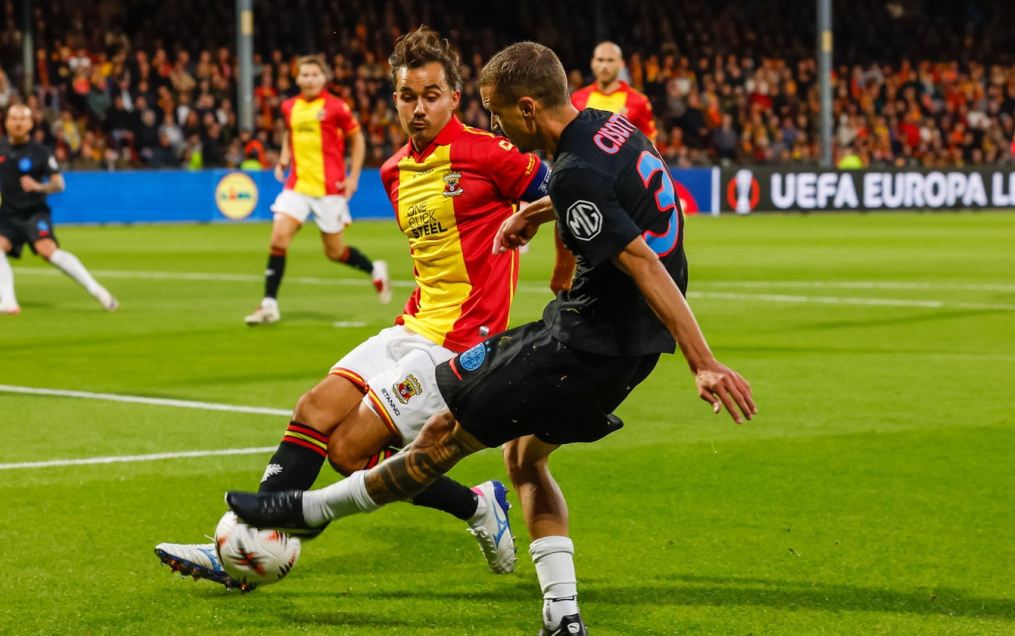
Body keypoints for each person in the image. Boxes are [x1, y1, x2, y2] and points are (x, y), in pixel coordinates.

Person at [225, 41, 756, 636]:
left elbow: (641, 261)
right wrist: (539, 212)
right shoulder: (610, 129)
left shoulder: (570, 171)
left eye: (497, 111)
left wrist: (704, 362)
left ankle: (308, 512)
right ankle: (563, 618)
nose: (494, 123)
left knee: (442, 435)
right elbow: (610, 198)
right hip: (633, 353)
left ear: (529, 108)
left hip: (579, 342)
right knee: (525, 459)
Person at [155, 27, 552, 591]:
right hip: (414, 324)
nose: (419, 108)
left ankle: (472, 507)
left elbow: (564, 188)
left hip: (460, 342)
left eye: (431, 95)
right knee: (314, 408)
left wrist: (536, 228)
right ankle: (248, 538)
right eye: (407, 96)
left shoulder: (489, 152)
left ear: (454, 98)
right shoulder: (394, 171)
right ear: (394, 98)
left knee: (347, 452)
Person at [244, 55, 390, 325]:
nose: (309, 79)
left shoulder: (337, 107)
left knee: (334, 252)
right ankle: (269, 305)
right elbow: (290, 133)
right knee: (278, 239)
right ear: (297, 78)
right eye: (305, 75)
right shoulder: (289, 106)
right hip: (297, 185)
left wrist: (353, 177)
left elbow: (357, 140)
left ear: (324, 78)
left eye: (314, 74)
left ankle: (373, 268)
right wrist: (285, 157)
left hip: (329, 190)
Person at [0, 104, 118, 315]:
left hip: (34, 213)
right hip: (8, 214)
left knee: (47, 251)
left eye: (23, 118)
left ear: (31, 124)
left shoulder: (40, 152)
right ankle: (8, 302)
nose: (18, 122)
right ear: (6, 122)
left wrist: (40, 186)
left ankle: (97, 290)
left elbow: (59, 184)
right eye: (13, 118)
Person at [550, 41, 662, 294]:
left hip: (623, 197)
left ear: (621, 65)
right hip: (582, 192)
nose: (604, 65)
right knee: (580, 265)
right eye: (600, 60)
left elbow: (650, 149)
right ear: (592, 63)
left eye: (610, 61)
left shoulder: (638, 101)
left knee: (623, 269)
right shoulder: (576, 99)